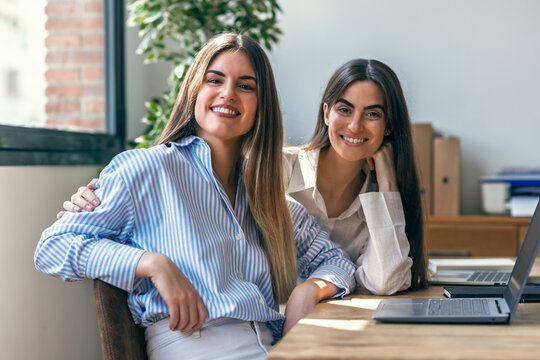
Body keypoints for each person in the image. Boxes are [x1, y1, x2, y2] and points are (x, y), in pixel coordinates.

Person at [35, 32, 356, 360]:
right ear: (194, 90)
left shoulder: (267, 200)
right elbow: (53, 247)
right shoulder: (148, 169)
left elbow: (336, 262)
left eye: (245, 86)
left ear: (261, 105)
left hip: (270, 347)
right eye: (214, 80)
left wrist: (307, 292)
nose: (228, 94)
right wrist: (153, 264)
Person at [61, 58, 427, 296]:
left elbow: (385, 282)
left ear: (389, 125)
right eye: (345, 109)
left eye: (372, 114)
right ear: (327, 113)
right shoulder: (268, 170)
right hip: (266, 327)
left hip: (326, 329)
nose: (355, 125)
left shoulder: (379, 198)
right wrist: (95, 203)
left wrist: (389, 184)